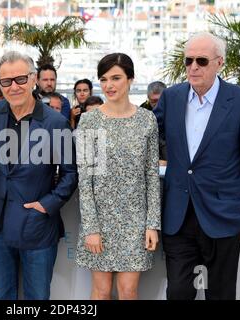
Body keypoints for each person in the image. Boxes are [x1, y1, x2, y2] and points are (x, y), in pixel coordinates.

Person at [153, 32, 240, 300]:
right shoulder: (172, 98)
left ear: (219, 63)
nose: (193, 67)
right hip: (178, 214)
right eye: (188, 60)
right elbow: (145, 134)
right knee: (179, 292)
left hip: (223, 214)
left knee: (221, 293)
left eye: (201, 61)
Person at [0, 51, 78, 300]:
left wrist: (46, 205)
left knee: (37, 297)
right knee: (0, 295)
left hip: (36, 226)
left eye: (20, 79)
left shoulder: (55, 122)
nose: (13, 86)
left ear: (33, 78)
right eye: (6, 81)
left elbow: (70, 174)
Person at [75, 53, 161, 300]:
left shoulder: (147, 120)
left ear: (130, 79)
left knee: (128, 291)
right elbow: (85, 178)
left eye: (116, 78)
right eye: (104, 79)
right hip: (99, 220)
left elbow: (151, 175)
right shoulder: (89, 121)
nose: (109, 85)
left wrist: (151, 224)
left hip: (135, 220)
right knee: (101, 292)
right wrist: (91, 227)